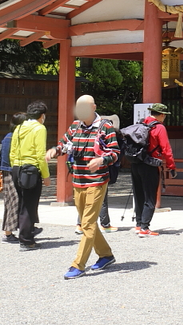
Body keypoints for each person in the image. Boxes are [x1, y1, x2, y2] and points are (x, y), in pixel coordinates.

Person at [47, 95, 119, 279]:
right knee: (89, 223)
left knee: (85, 223)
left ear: (93, 107)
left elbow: (115, 152)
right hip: (78, 179)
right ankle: (106, 255)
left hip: (97, 180)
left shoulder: (105, 127)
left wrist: (101, 159)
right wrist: (55, 151)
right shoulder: (75, 126)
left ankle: (78, 265)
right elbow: (64, 144)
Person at [130, 103, 175, 238]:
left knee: (138, 195)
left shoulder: (141, 124)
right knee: (150, 196)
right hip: (149, 165)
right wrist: (171, 166)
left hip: (135, 163)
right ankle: (145, 227)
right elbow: (166, 149)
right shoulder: (159, 127)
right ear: (161, 115)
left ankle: (139, 224)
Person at [11, 102, 49, 250]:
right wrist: (45, 175)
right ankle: (26, 240)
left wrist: (15, 165)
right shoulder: (39, 128)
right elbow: (40, 154)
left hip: (17, 168)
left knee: (22, 202)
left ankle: (26, 234)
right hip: (31, 169)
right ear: (41, 116)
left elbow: (13, 150)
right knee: (29, 204)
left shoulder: (19, 127)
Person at [0, 113, 27, 244]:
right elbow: (5, 160)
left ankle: (23, 227)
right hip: (9, 172)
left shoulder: (15, 137)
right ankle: (8, 232)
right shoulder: (9, 138)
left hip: (13, 171)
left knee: (17, 200)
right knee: (13, 201)